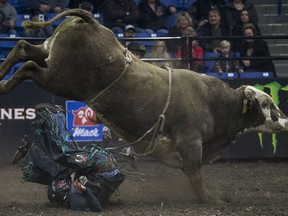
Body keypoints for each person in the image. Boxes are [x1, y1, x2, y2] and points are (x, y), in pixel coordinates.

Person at [12, 103, 125, 212]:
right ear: (62, 192)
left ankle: (31, 148)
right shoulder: (75, 200)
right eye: (60, 184)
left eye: (59, 183)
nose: (61, 182)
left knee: (61, 170)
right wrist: (85, 191)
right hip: (103, 167)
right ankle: (56, 117)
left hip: (105, 168)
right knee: (62, 166)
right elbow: (97, 208)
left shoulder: (73, 191)